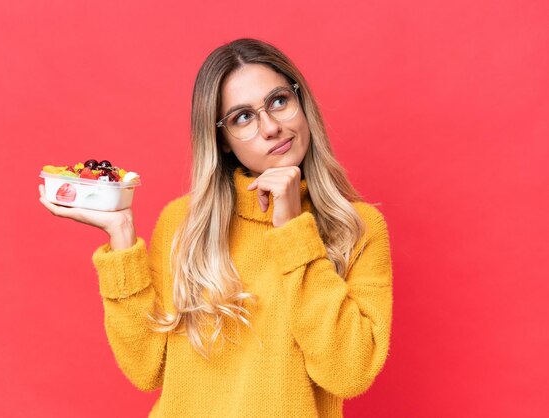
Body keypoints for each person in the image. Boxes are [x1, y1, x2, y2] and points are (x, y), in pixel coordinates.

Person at [39, 38, 393, 418]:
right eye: (243, 117)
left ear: (300, 101)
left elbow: (348, 373)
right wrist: (122, 240)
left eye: (278, 101)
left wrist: (292, 230)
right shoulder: (183, 224)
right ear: (222, 139)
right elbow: (146, 369)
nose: (271, 127)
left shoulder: (356, 228)